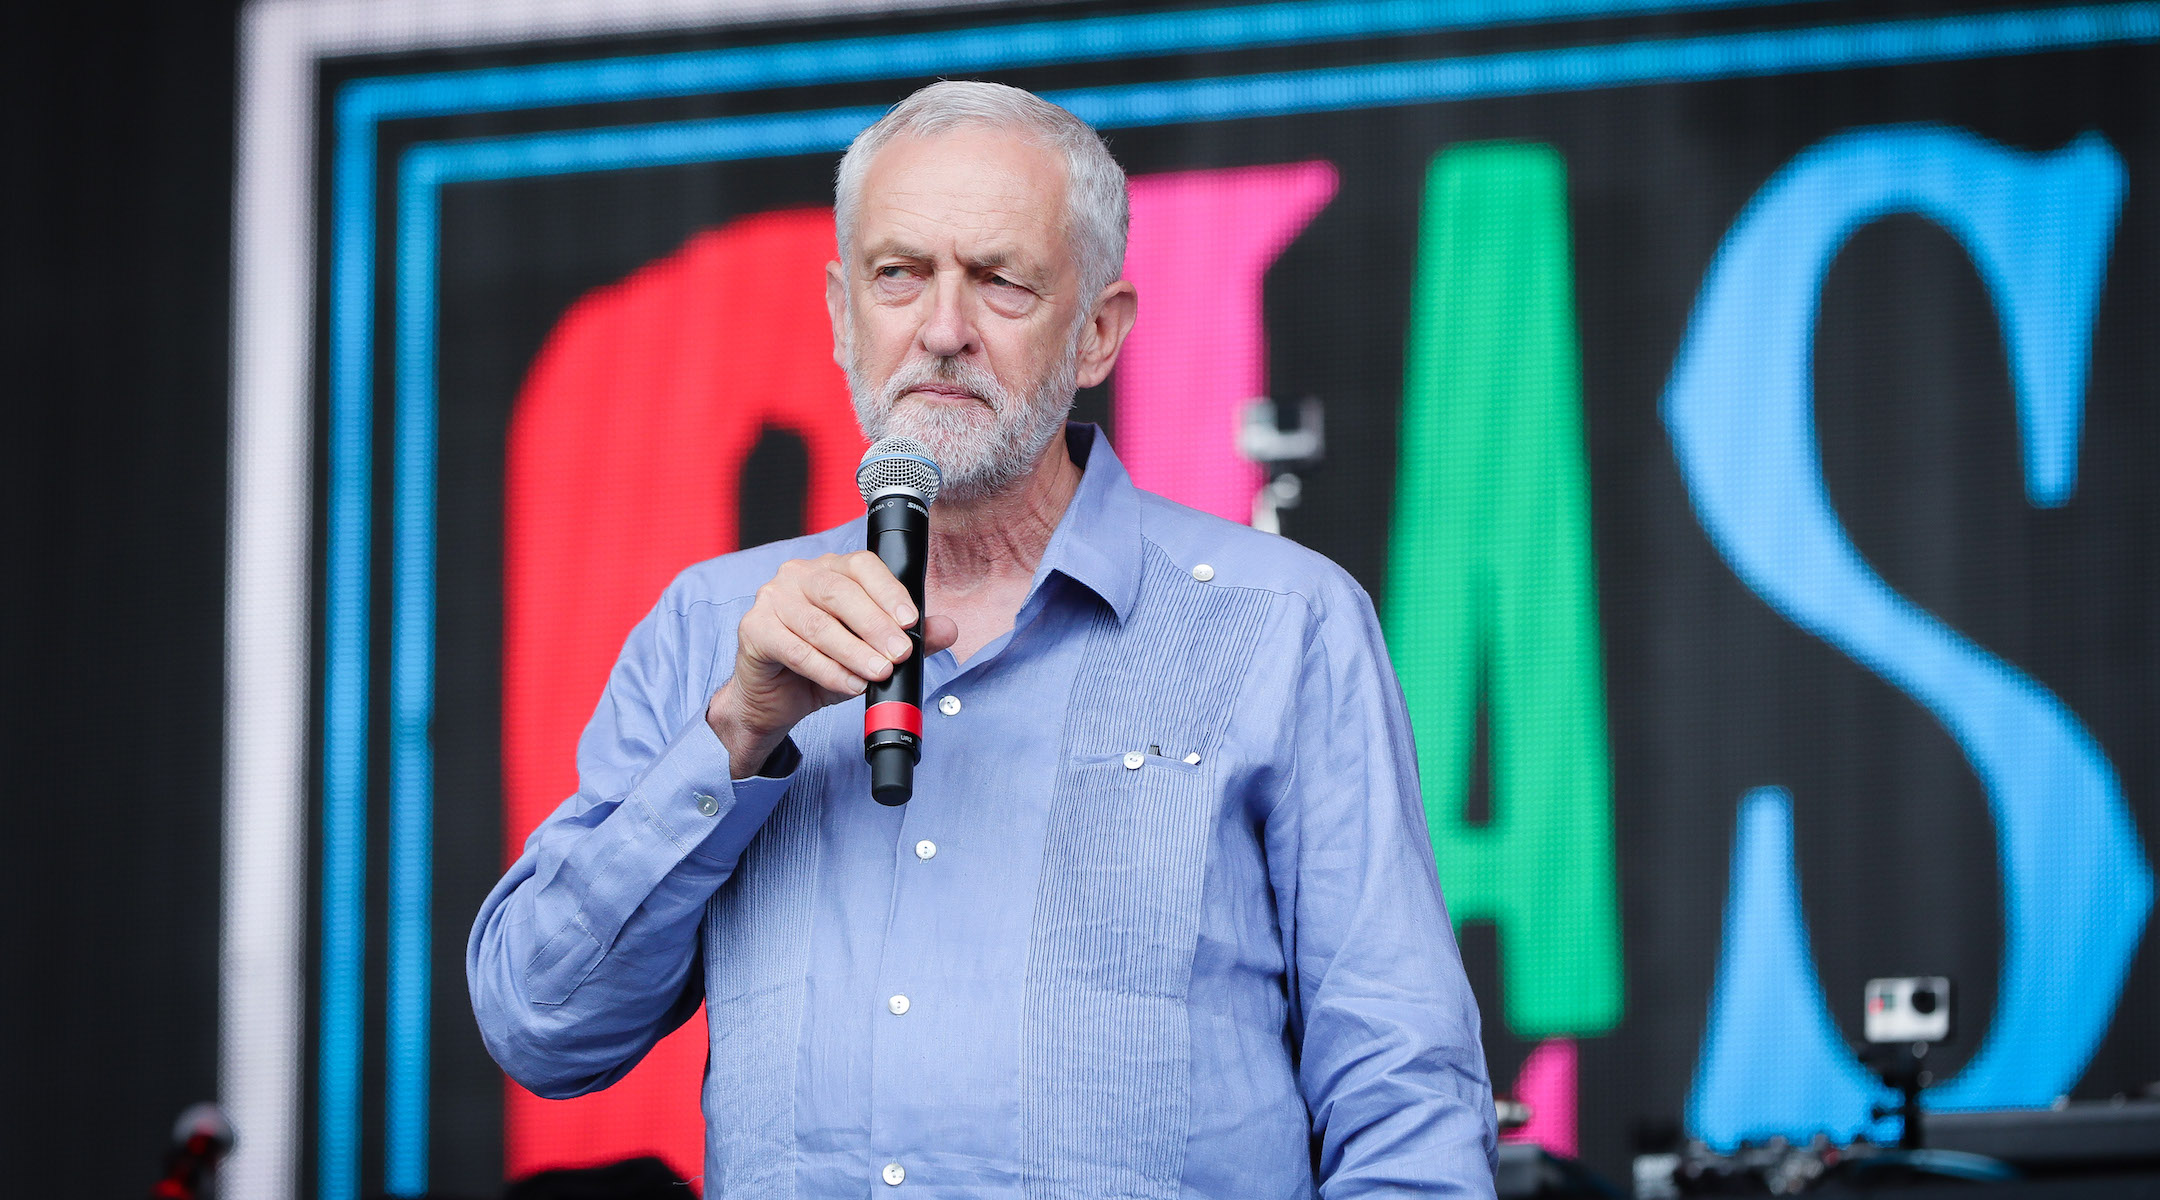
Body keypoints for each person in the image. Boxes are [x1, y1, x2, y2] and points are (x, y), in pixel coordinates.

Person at [469, 79, 1496, 1198]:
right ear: (839, 312)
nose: (942, 330)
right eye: (897, 274)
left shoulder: (1285, 623)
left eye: (1001, 281)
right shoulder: (714, 629)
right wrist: (738, 734)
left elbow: (1405, 1095)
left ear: (1099, 332)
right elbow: (541, 1025)